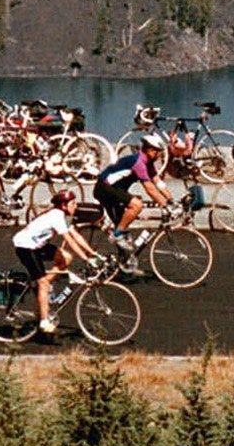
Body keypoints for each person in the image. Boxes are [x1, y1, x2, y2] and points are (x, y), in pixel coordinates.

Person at [12, 187, 100, 335]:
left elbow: (76, 236)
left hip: (38, 244)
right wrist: (86, 259)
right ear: (64, 206)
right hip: (25, 246)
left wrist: (93, 254)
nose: (76, 206)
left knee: (66, 258)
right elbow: (69, 240)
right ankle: (44, 321)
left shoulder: (65, 216)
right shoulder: (56, 216)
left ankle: (43, 290)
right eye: (73, 203)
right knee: (43, 283)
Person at [96, 133, 174, 262]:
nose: (160, 155)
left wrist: (171, 200)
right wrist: (165, 205)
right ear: (151, 150)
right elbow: (149, 188)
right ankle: (116, 234)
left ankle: (124, 263)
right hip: (104, 189)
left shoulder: (148, 163)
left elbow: (157, 181)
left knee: (123, 228)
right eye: (159, 152)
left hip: (115, 190)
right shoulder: (138, 162)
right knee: (137, 205)